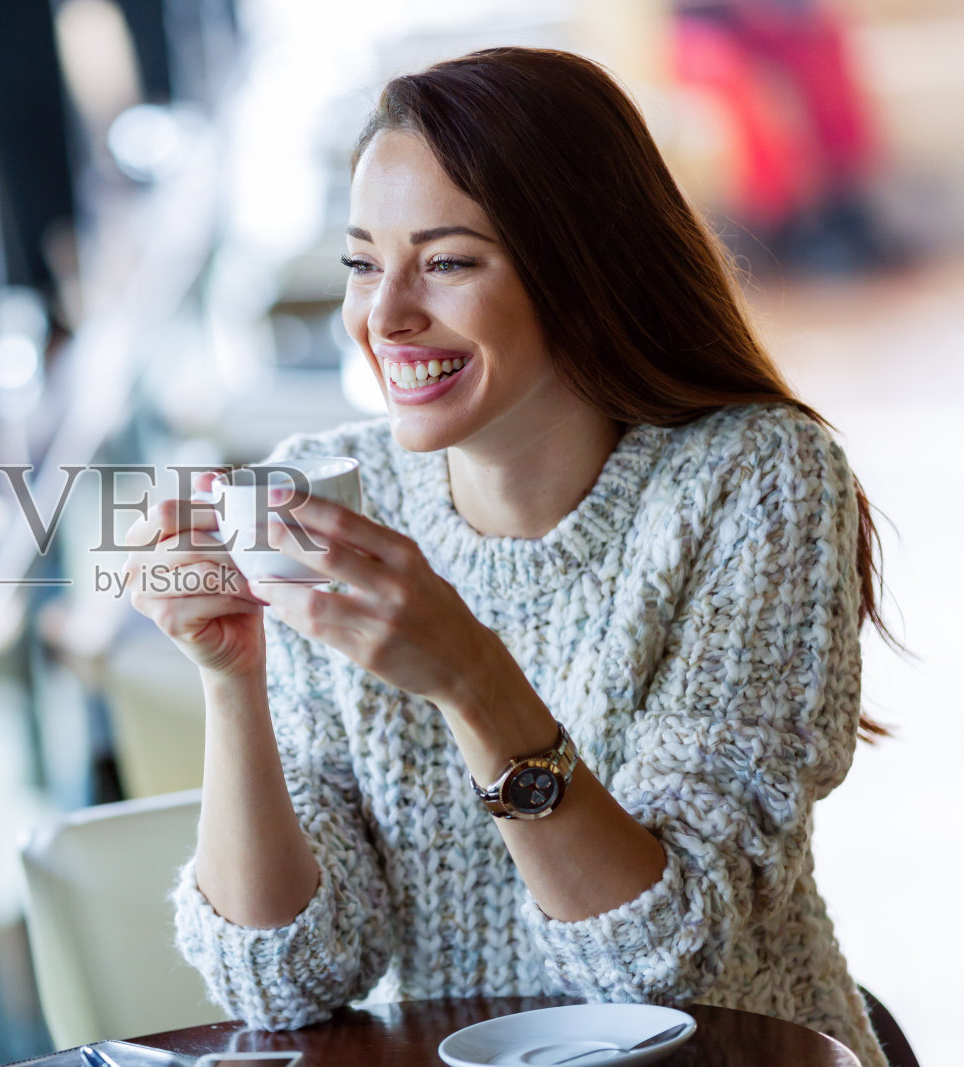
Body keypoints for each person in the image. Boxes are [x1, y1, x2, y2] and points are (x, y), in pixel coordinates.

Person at [123, 47, 889, 1066]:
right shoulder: (325, 496)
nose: (383, 315)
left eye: (445, 261)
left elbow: (664, 966)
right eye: (361, 262)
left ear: (581, 266)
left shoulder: (755, 479)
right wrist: (233, 679)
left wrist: (471, 678)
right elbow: (284, 978)